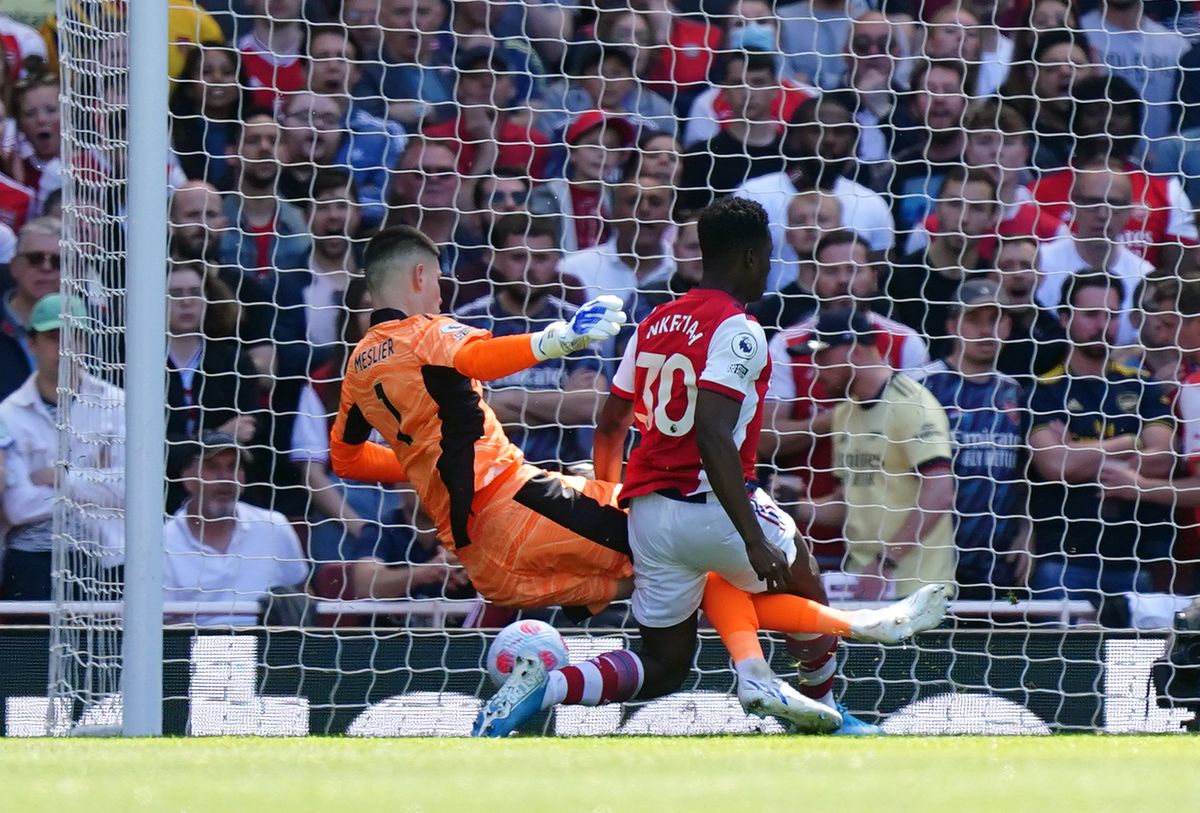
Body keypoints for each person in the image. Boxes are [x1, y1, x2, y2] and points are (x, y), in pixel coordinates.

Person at [474, 198, 948, 738]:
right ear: (748, 256)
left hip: (650, 516)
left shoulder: (653, 322)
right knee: (804, 583)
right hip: (716, 504)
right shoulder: (738, 329)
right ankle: (828, 711)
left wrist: (609, 493)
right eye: (768, 257)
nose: (771, 269)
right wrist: (750, 536)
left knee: (664, 665)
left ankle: (547, 687)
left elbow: (609, 425)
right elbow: (712, 433)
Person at [329, 224, 633, 615]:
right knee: (663, 531)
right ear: (420, 276)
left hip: (482, 562)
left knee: (635, 584)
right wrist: (558, 338)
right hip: (516, 504)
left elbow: (345, 460)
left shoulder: (357, 367)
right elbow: (480, 359)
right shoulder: (426, 331)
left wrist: (422, 464)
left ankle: (570, 678)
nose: (440, 295)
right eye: (438, 280)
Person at [1028, 272, 1175, 624]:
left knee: (1135, 677)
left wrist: (1078, 450)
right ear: (1065, 319)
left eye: (1110, 314)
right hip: (1062, 562)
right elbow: (1054, 467)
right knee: (1059, 674)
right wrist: (1128, 443)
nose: (1102, 325)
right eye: (1091, 314)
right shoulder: (1044, 390)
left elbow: (1164, 460)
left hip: (1132, 561)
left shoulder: (1143, 387)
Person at [790, 308, 957, 601]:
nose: (816, 371)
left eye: (822, 358)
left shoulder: (913, 404)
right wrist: (790, 508)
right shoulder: (844, 414)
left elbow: (940, 492)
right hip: (864, 584)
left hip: (917, 590)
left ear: (854, 351)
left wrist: (884, 563)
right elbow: (848, 503)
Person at [456, 214, 607, 470]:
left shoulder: (576, 323)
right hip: (485, 468)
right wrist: (559, 402)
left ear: (557, 261)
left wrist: (505, 399)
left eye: (540, 258)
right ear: (496, 260)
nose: (529, 268)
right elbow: (463, 409)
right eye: (518, 257)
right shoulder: (468, 323)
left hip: (560, 469)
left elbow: (590, 404)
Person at [0, 294, 125, 601]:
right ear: (32, 345)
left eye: (74, 337)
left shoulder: (117, 404)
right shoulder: (8, 413)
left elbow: (124, 491)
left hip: (103, 555)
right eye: (53, 337)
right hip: (31, 561)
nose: (65, 348)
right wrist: (92, 480)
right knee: (29, 649)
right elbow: (18, 508)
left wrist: (61, 476)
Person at [915, 281, 1032, 596]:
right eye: (974, 320)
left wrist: (1026, 532)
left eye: (994, 320)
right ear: (953, 326)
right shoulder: (919, 386)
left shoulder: (1015, 392)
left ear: (1007, 326)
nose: (985, 330)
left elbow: (1024, 475)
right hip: (930, 559)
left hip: (997, 562)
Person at [734, 91, 894, 293]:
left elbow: (881, 279)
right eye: (817, 130)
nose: (829, 140)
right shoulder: (753, 196)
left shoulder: (871, 203)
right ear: (793, 137)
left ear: (854, 141)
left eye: (840, 131)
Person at [163, 431, 309, 626]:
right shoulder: (162, 541)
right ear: (187, 477)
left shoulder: (275, 526)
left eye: (233, 467)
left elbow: (302, 593)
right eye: (212, 467)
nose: (225, 478)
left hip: (267, 649)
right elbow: (162, 627)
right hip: (193, 649)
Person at [886, 166, 1002, 359]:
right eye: (955, 204)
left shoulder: (992, 281)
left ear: (992, 217)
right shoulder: (900, 277)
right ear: (937, 208)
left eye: (977, 208)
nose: (963, 218)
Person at [1034, 159, 1153, 347]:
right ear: (1073, 205)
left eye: (1114, 204)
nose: (1103, 214)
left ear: (1129, 210)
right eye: (1092, 202)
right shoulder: (1040, 263)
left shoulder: (1144, 276)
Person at [0, 216, 60, 401]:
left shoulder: (90, 329)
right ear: (15, 266)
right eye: (36, 258)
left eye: (58, 261)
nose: (46, 268)